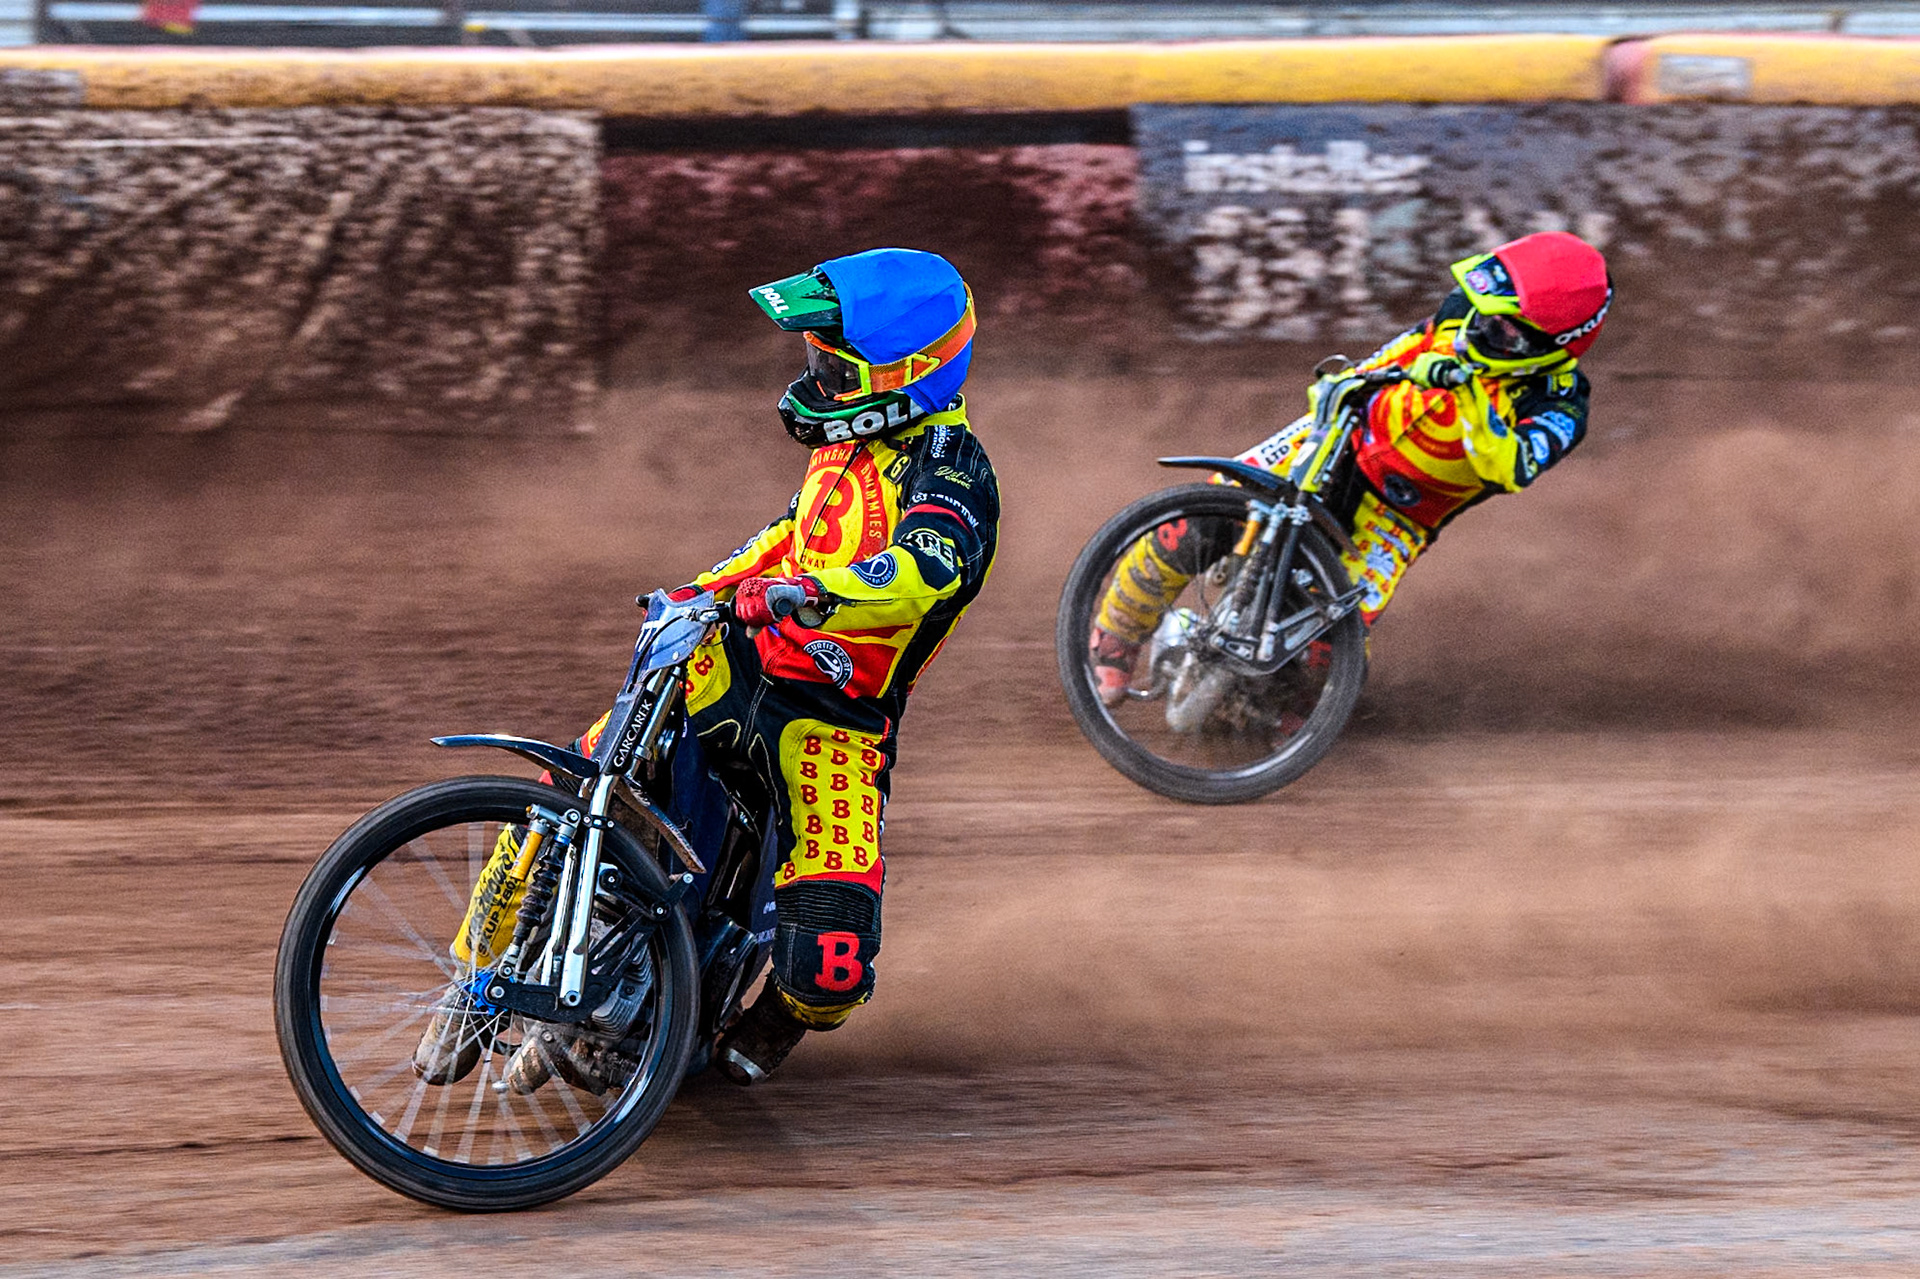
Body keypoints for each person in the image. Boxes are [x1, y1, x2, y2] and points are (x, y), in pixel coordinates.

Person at [415, 248, 1000, 1090]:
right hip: (735, 663)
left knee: (829, 966)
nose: (819, 379)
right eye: (817, 361)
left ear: (911, 375)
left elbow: (925, 569)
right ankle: (472, 985)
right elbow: (789, 530)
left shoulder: (955, 473)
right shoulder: (847, 444)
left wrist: (810, 594)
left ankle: (763, 1025)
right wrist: (702, 588)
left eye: (837, 367)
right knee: (574, 781)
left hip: (833, 723)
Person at [1089, 230, 1611, 705]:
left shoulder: (1561, 407)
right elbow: (1387, 358)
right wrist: (1342, 390)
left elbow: (1506, 469)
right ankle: (1114, 638)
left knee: (1330, 657)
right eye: (1480, 310)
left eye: (1501, 329)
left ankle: (1283, 716)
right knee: (1197, 522)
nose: (1477, 329)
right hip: (1344, 436)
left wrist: (1469, 392)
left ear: (1551, 345)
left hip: (1398, 515)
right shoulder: (1464, 311)